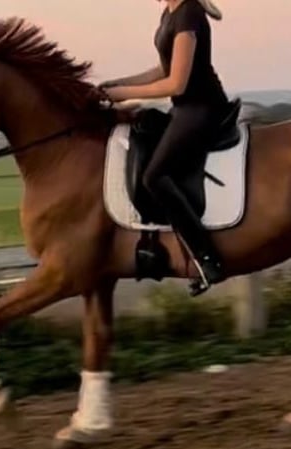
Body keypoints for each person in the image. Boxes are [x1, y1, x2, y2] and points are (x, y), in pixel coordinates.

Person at [100, 0, 229, 295]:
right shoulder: (170, 13)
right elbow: (163, 69)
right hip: (184, 108)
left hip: (203, 108)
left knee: (154, 176)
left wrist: (123, 93)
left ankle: (207, 259)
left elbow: (176, 84)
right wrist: (116, 84)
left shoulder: (188, 13)